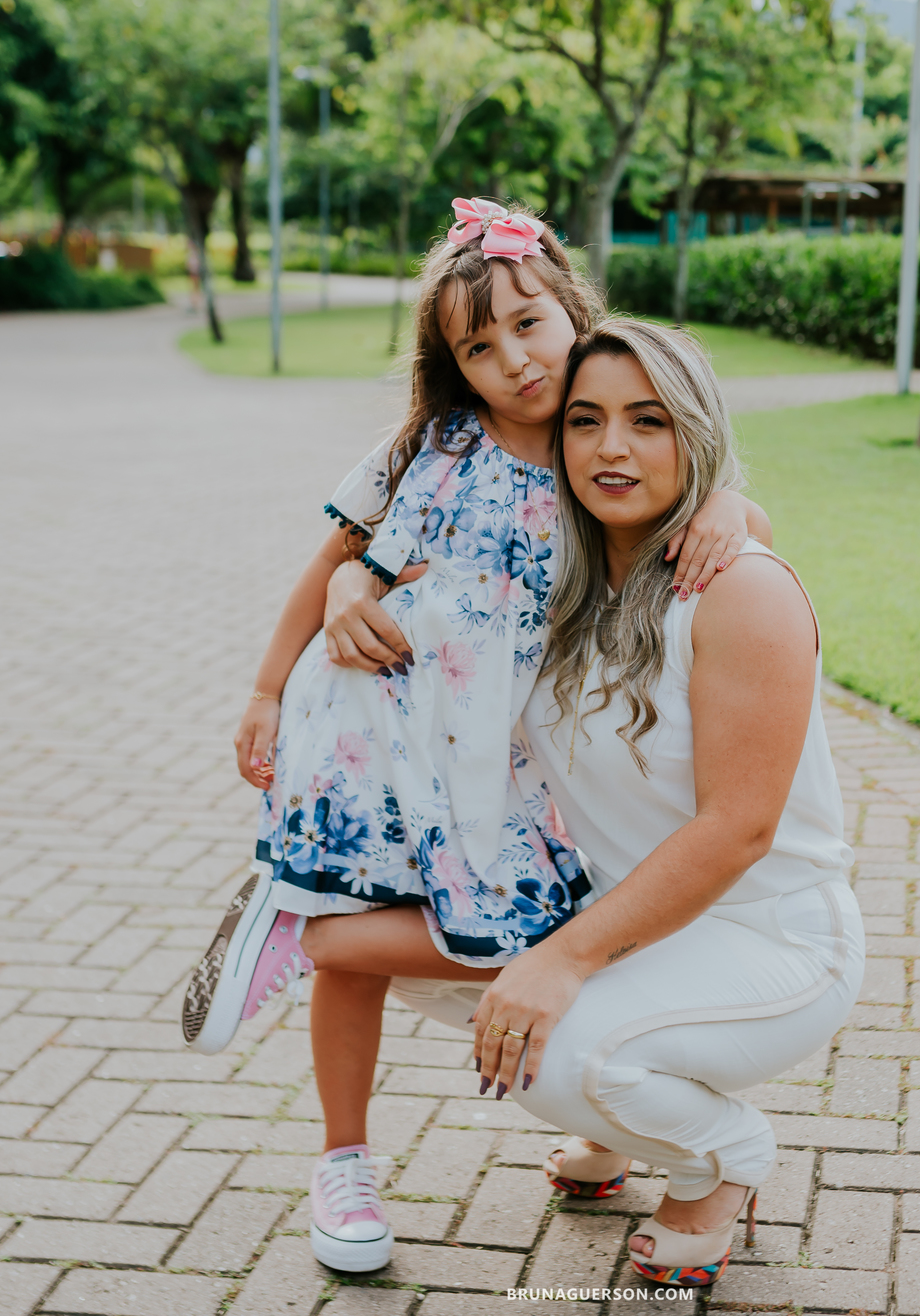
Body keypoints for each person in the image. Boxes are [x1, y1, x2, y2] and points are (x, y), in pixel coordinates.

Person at [181, 204, 770, 1276]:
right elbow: (337, 560)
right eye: (479, 347)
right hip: (378, 720)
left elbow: (706, 505)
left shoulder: (606, 444)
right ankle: (344, 1158)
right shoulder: (436, 443)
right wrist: (267, 688)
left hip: (502, 761)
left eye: (529, 325)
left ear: (573, 307)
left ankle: (296, 926)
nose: (514, 360)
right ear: (453, 365)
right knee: (369, 933)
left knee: (526, 934)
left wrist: (736, 509)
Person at [376, 319, 864, 1288]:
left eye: (649, 421)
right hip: (635, 920)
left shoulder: (739, 589)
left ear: (695, 430)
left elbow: (740, 829)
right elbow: (404, 565)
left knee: (547, 1045)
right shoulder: (561, 574)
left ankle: (720, 1159)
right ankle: (610, 1122)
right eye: (585, 420)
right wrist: (358, 587)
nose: (611, 448)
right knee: (404, 947)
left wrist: (563, 959)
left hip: (772, 937)